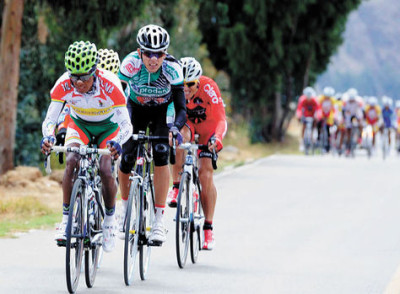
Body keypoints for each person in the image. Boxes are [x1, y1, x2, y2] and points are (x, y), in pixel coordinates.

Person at [40, 41, 133, 252]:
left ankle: (109, 220)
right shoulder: (63, 84)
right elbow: (50, 120)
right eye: (74, 76)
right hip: (79, 124)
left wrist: (118, 142)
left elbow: (127, 125)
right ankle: (66, 220)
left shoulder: (111, 84)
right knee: (72, 159)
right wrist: (48, 137)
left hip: (108, 128)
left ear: (95, 71)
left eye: (83, 76)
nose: (78, 82)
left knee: (105, 168)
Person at [117, 24, 187, 245]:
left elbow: (181, 107)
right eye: (148, 53)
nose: (153, 59)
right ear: (140, 52)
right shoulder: (130, 64)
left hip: (162, 111)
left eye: (159, 54)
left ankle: (158, 220)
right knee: (126, 156)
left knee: (160, 153)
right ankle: (125, 211)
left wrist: (175, 128)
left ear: (165, 54)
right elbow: (118, 98)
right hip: (134, 108)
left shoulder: (173, 69)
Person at [167, 57, 227, 250]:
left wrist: (217, 138)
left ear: (198, 81)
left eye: (190, 85)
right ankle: (176, 186)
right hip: (189, 125)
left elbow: (221, 119)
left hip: (209, 129)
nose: (186, 89)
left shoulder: (209, 88)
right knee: (178, 139)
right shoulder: (174, 88)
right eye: (182, 85)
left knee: (205, 174)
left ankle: (208, 228)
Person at [341, 88, 363, 155]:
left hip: (356, 115)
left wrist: (360, 119)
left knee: (360, 124)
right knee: (348, 132)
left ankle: (360, 137)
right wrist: (344, 119)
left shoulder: (358, 101)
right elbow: (344, 111)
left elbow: (360, 111)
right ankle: (348, 147)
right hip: (348, 116)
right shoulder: (345, 102)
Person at [295, 86, 319, 151]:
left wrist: (317, 116)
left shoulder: (314, 100)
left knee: (315, 124)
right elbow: (299, 109)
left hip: (312, 116)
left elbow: (318, 109)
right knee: (304, 127)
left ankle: (313, 137)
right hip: (305, 116)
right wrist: (299, 116)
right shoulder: (302, 99)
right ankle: (302, 142)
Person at [317, 86, 336, 152]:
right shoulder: (320, 99)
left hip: (329, 115)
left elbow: (334, 109)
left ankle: (328, 145)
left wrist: (334, 116)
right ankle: (318, 138)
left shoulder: (333, 100)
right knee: (318, 124)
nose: (327, 98)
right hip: (321, 114)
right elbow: (318, 107)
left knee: (328, 130)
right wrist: (319, 115)